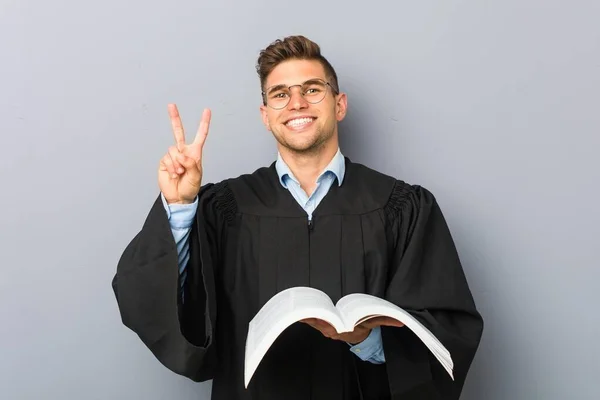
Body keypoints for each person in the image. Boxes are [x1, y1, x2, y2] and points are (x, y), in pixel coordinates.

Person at [112, 35, 484, 400]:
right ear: (266, 116)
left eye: (312, 89)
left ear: (339, 105)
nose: (296, 103)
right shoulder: (223, 208)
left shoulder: (401, 207)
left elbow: (446, 334)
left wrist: (367, 340)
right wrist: (179, 207)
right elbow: (159, 300)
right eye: (280, 94)